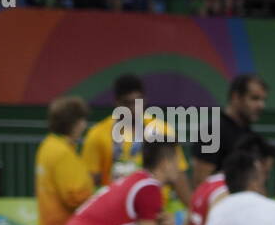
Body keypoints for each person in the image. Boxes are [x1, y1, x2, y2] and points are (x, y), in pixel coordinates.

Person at [58, 139, 184, 225]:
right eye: (176, 162)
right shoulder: (148, 188)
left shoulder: (136, 180)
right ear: (165, 163)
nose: (179, 168)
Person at [80, 73, 192, 209]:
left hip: (155, 209)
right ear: (117, 102)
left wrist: (193, 212)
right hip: (116, 210)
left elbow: (178, 176)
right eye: (127, 103)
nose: (133, 109)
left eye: (137, 102)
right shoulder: (97, 134)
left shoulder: (162, 130)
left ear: (145, 100)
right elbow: (90, 181)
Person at [35, 95, 95, 225]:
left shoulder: (47, 146)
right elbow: (75, 197)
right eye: (81, 120)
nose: (84, 125)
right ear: (73, 123)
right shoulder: (63, 153)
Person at [192, 73, 269, 185]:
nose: (261, 105)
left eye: (263, 100)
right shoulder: (212, 131)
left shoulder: (250, 135)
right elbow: (201, 182)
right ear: (235, 97)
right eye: (254, 98)